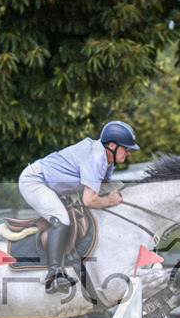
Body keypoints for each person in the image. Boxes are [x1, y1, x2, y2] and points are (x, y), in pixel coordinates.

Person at [18, 120, 137, 293]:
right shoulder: (96, 158)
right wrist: (109, 201)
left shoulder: (107, 160)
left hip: (54, 187)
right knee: (62, 219)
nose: (128, 152)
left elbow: (104, 187)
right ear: (112, 145)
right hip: (35, 181)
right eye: (126, 148)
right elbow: (89, 200)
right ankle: (53, 276)